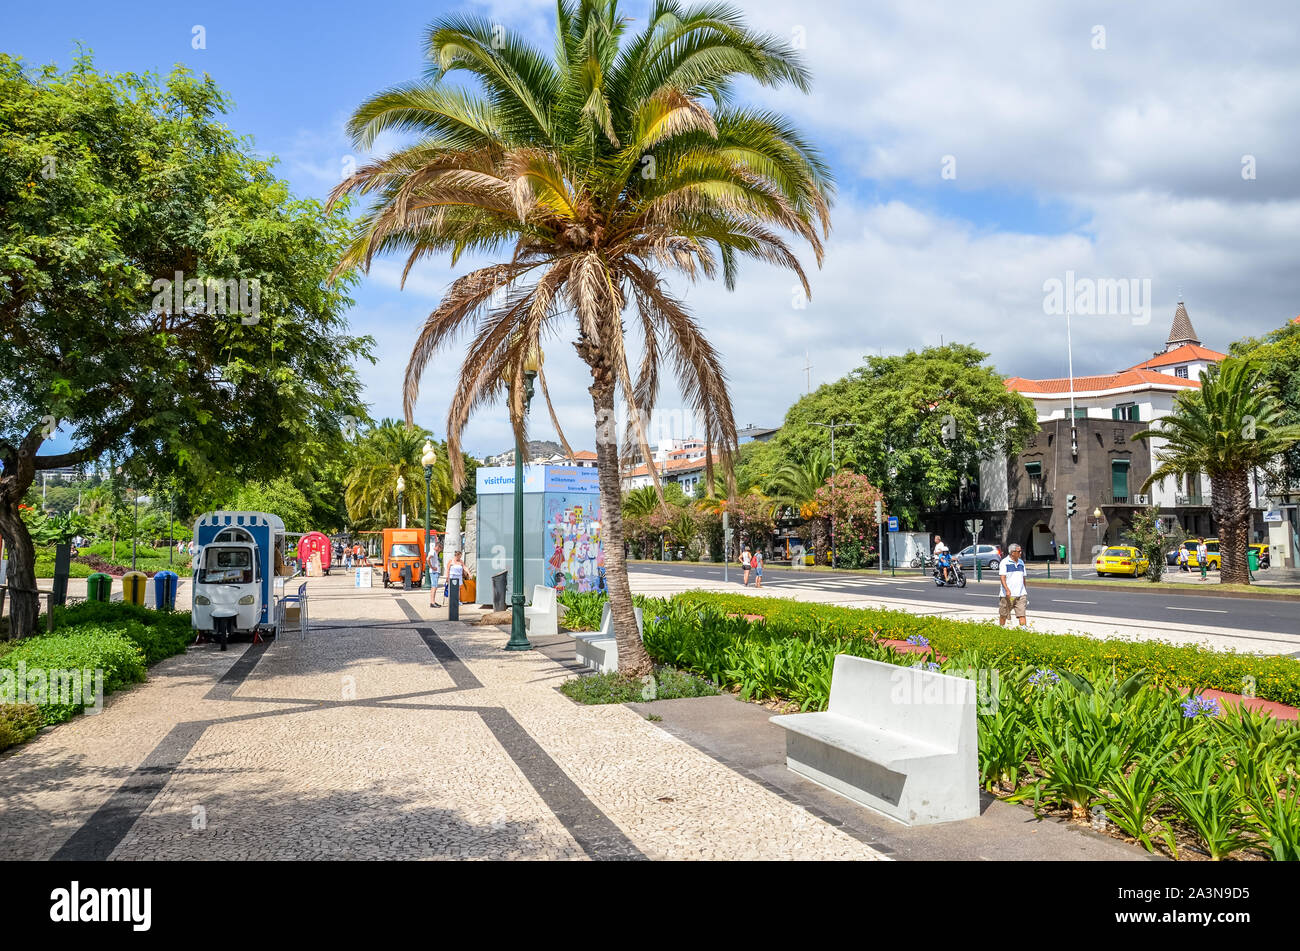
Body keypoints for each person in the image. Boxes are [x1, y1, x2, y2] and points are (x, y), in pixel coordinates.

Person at [998, 543, 1029, 627]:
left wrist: (1024, 590)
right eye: (1019, 551)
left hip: (1020, 594)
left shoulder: (1021, 562)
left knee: (1022, 614)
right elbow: (1002, 578)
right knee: (1003, 614)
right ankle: (1001, 629)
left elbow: (1023, 578)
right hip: (1007, 595)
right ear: (1012, 552)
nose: (1020, 553)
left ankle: (1023, 632)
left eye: (1020, 551)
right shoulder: (1004, 562)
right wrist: (1007, 590)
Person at [428, 542, 443, 608]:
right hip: (434, 572)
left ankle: (433, 601)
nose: (440, 550)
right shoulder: (433, 552)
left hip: (435, 572)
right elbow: (427, 559)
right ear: (438, 547)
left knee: (434, 587)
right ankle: (432, 602)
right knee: (434, 587)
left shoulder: (435, 552)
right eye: (440, 549)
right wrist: (432, 567)